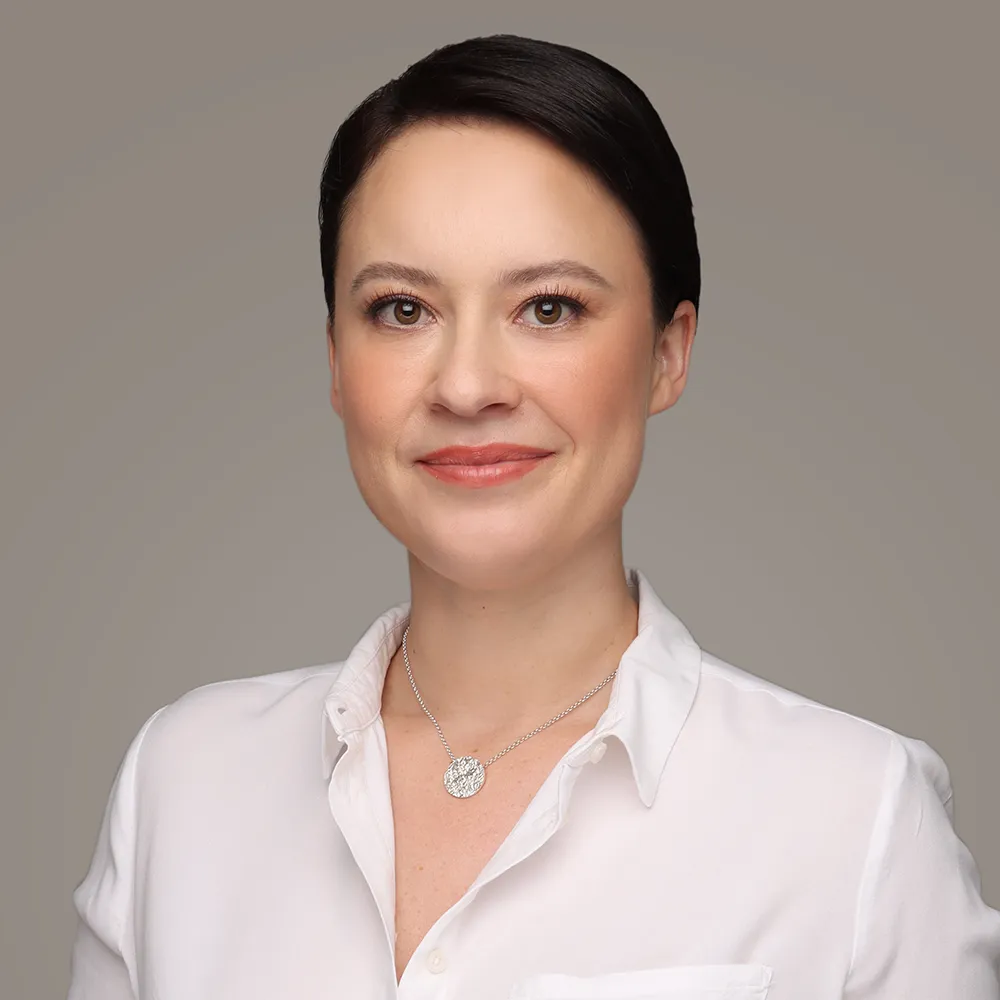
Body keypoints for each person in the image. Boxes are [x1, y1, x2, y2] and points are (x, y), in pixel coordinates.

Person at [67, 33, 1000, 1000]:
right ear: (337, 361)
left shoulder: (856, 822)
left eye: (548, 308)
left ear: (669, 353)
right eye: (402, 310)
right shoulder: (180, 784)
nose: (468, 385)